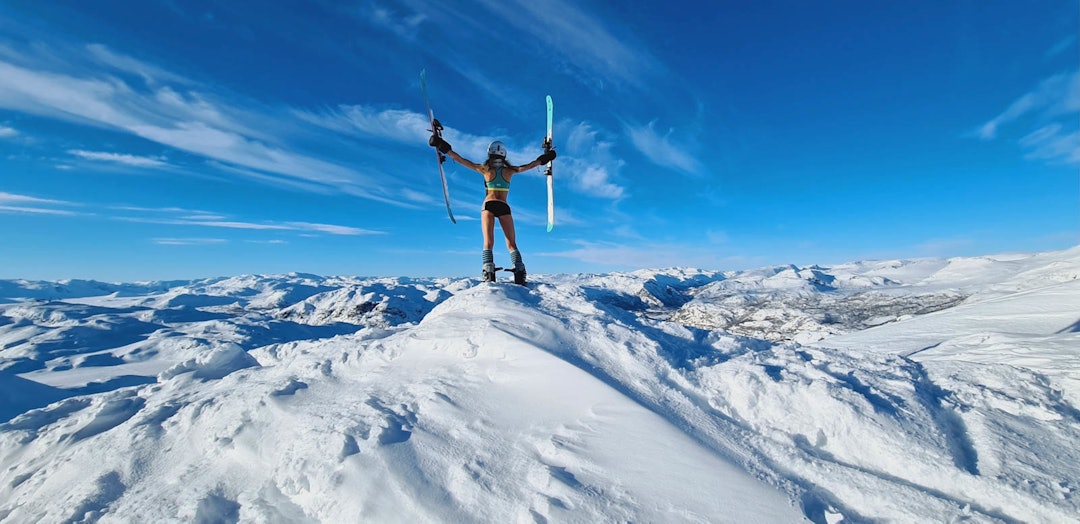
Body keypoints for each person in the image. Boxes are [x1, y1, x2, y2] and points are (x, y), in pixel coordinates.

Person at [428, 135, 555, 282]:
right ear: (504, 154)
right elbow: (531, 165)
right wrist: (547, 157)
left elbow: (460, 159)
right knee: (512, 243)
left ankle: (488, 271)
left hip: (489, 205)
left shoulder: (485, 169)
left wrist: (442, 145)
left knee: (488, 242)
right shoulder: (510, 170)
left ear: (490, 153)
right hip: (504, 206)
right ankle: (519, 270)